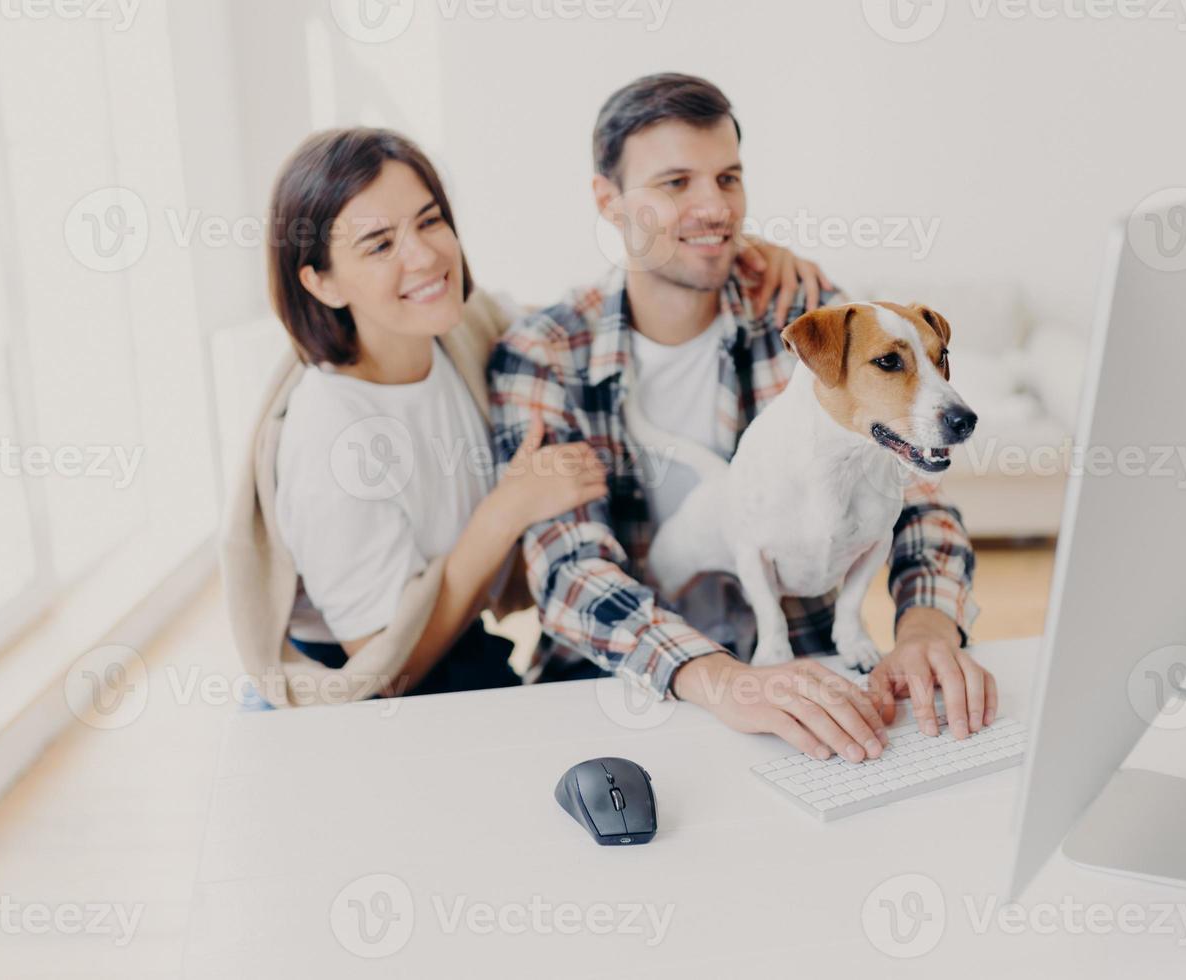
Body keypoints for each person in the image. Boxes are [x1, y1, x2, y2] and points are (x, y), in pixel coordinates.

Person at [219, 126, 831, 706]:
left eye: (430, 221)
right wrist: (507, 509)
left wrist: (735, 253)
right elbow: (380, 668)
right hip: (368, 680)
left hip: (461, 639)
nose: (425, 257)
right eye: (379, 244)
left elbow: (587, 323)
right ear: (321, 283)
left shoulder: (463, 328)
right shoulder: (331, 437)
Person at [489, 74, 994, 761]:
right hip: (616, 685)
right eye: (675, 183)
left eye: (728, 178)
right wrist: (723, 681)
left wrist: (927, 626)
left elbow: (912, 482)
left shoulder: (802, 302)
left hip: (807, 679)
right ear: (608, 202)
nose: (714, 206)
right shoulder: (544, 354)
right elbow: (569, 571)